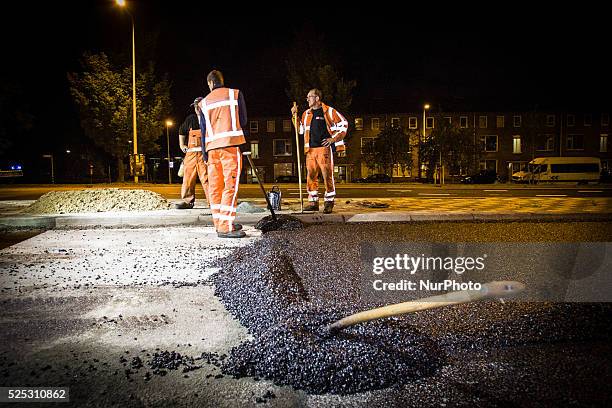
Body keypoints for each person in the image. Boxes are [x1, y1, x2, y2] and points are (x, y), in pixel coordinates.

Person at [197, 70, 247, 238]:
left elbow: (203, 130)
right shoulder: (234, 94)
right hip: (229, 147)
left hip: (211, 150)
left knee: (215, 188)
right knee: (230, 186)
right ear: (221, 81)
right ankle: (226, 227)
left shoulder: (203, 103)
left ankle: (220, 223)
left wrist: (204, 154)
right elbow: (244, 120)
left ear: (210, 84)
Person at [291, 89, 348, 213]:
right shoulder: (306, 114)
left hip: (324, 149)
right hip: (310, 150)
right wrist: (295, 117)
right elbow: (300, 130)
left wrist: (333, 139)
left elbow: (344, 124)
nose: (307, 99)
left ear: (317, 98)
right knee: (311, 176)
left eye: (309, 97)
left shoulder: (329, 111)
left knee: (327, 175)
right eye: (307, 97)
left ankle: (329, 201)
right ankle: (313, 202)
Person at [174, 99, 210, 209]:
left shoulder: (209, 118)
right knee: (188, 178)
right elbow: (181, 131)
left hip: (204, 154)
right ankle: (187, 201)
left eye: (198, 106)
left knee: (207, 178)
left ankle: (213, 202)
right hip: (191, 155)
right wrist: (182, 145)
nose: (197, 109)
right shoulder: (191, 119)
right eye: (195, 107)